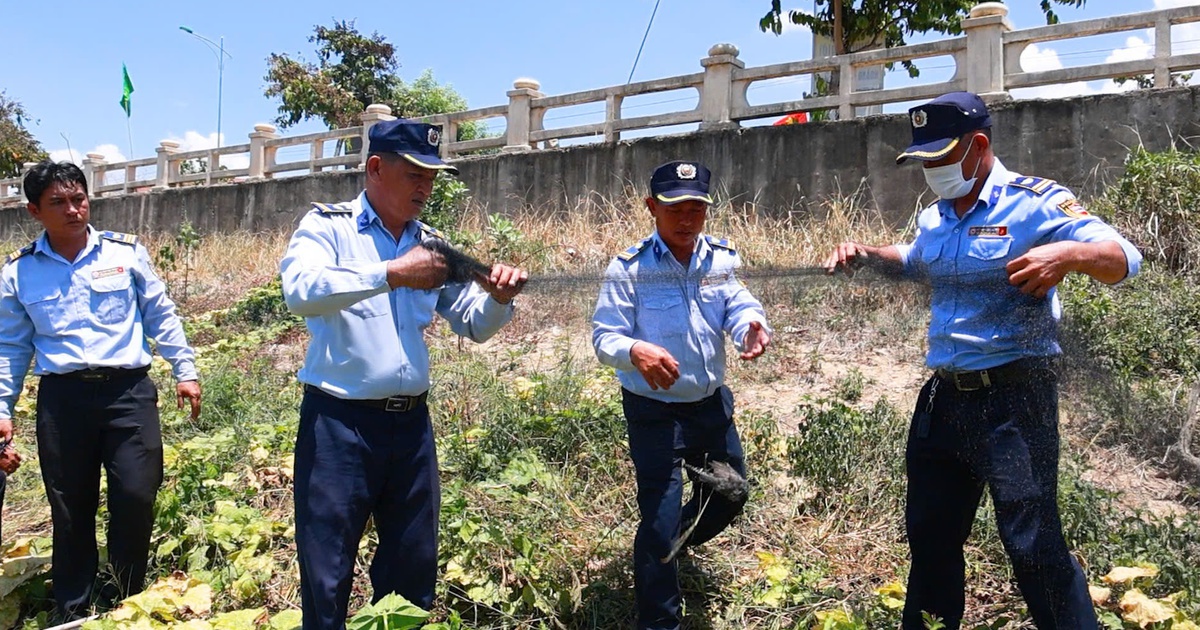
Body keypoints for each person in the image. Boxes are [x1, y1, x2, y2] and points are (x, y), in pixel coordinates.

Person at [823, 92, 1142, 630]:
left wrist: (1066, 254)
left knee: (1032, 542)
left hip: (1015, 399)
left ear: (979, 146)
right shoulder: (937, 217)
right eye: (924, 161)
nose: (932, 170)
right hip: (945, 398)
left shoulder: (1035, 201)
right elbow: (917, 261)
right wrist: (870, 255)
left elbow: (1123, 258)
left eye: (941, 158)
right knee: (930, 536)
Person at [280, 118, 528, 629]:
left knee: (411, 567)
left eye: (432, 177)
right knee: (327, 570)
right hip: (339, 426)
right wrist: (390, 273)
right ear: (375, 167)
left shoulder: (433, 247)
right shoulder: (328, 228)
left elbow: (472, 324)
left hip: (410, 428)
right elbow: (300, 291)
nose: (424, 187)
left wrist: (499, 299)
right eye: (414, 173)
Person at [0, 160, 202, 621]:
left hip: (127, 393)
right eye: (58, 203)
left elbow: (160, 314)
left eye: (79, 199)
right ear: (34, 211)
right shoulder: (19, 273)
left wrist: (183, 369)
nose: (73, 210)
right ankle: (72, 607)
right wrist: (2, 406)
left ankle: (127, 594)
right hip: (63, 401)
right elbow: (10, 346)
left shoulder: (125, 253)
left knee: (135, 494)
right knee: (70, 506)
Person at [591, 161, 772, 630]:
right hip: (654, 414)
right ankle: (659, 618)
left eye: (697, 208)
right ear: (653, 207)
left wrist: (750, 327)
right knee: (659, 519)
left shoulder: (720, 258)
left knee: (731, 494)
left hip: (710, 406)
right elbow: (604, 338)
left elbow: (738, 303)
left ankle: (674, 545)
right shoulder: (628, 267)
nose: (687, 218)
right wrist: (635, 349)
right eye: (676, 208)